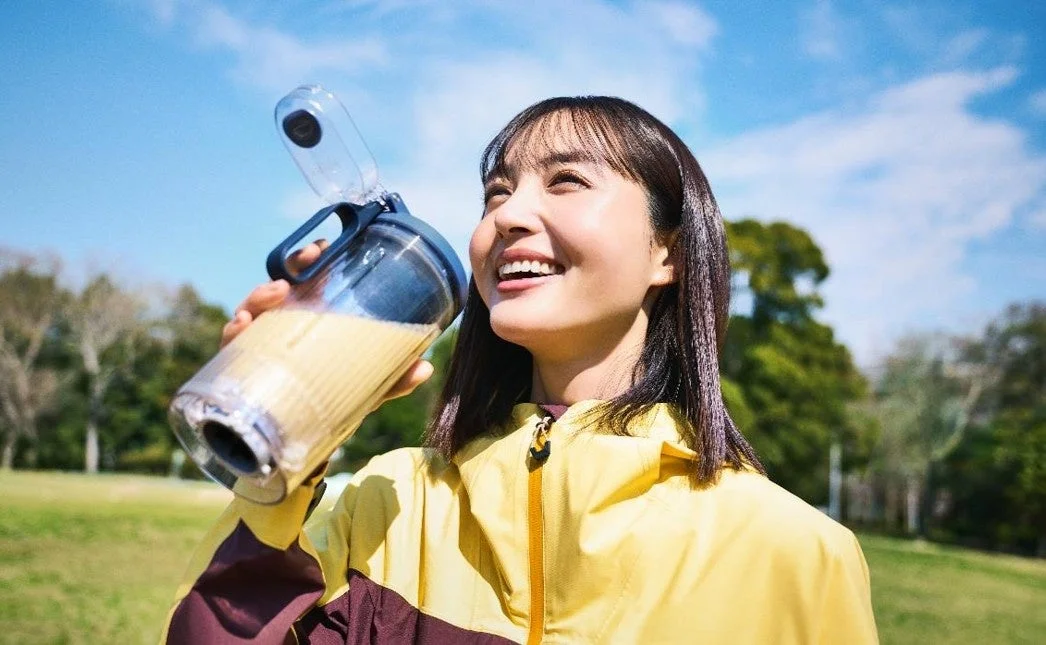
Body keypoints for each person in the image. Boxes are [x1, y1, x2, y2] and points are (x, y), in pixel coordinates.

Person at [162, 97, 878, 644]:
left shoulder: (795, 553)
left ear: (670, 253)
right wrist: (283, 445)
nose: (508, 215)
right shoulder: (385, 505)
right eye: (496, 193)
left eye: (566, 181)